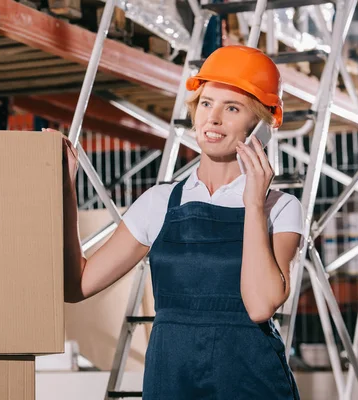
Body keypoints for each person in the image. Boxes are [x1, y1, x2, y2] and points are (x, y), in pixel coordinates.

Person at [59, 45, 303, 399]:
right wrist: (66, 186)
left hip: (250, 381)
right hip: (171, 379)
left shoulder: (280, 208)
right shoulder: (158, 203)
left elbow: (260, 305)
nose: (212, 118)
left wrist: (253, 203)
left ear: (261, 126)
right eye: (206, 103)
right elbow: (76, 285)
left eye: (231, 108)